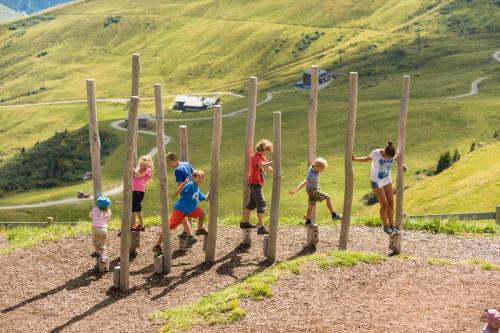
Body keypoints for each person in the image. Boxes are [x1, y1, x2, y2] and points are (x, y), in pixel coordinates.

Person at [152, 170, 209, 255]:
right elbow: (180, 191)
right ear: (193, 178)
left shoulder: (197, 188)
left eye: (201, 180)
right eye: (198, 179)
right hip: (180, 209)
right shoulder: (190, 185)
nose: (200, 181)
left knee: (202, 214)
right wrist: (184, 183)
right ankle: (157, 246)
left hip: (189, 210)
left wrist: (210, 191)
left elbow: (206, 198)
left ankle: (199, 230)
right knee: (169, 227)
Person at [352, 141, 402, 236]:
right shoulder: (376, 153)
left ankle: (392, 225)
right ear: (385, 153)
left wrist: (402, 165)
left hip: (387, 180)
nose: (389, 160)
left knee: (391, 202)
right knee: (385, 205)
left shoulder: (392, 155)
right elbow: (366, 159)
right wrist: (354, 159)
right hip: (376, 182)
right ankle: (386, 226)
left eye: (391, 158)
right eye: (388, 158)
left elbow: (398, 153)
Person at [290, 157, 341, 226]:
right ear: (317, 167)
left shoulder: (313, 166)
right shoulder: (311, 175)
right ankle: (334, 215)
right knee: (328, 197)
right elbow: (304, 181)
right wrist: (297, 189)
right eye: (322, 169)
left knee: (311, 206)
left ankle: (307, 220)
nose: (322, 171)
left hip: (310, 191)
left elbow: (315, 162)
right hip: (313, 190)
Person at [165, 152, 206, 234]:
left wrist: (178, 192)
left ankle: (185, 232)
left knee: (182, 213)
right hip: (194, 189)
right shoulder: (186, 164)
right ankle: (187, 231)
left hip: (186, 192)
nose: (169, 165)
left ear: (174, 160)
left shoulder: (177, 170)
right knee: (189, 212)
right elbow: (195, 173)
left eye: (169, 163)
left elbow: (180, 185)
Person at [240, 139, 274, 235]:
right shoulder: (256, 157)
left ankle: (244, 222)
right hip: (254, 183)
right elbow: (262, 165)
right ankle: (261, 227)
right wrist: (271, 162)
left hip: (257, 183)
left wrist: (276, 174)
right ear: (263, 149)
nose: (268, 153)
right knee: (261, 203)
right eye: (268, 151)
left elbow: (267, 168)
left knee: (252, 203)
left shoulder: (262, 157)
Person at [131, 155, 154, 231]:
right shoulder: (138, 169)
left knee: (133, 208)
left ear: (148, 165)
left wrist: (133, 170)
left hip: (139, 192)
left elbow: (139, 176)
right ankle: (142, 225)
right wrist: (135, 170)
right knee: (138, 209)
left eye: (145, 165)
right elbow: (134, 176)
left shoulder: (148, 170)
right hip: (134, 190)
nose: (143, 166)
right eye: (141, 165)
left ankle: (132, 225)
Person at [90, 197, 111, 262]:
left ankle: (97, 252)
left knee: (95, 241)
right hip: (103, 229)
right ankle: (102, 256)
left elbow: (90, 215)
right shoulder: (108, 212)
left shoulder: (94, 209)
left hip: (95, 229)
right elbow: (107, 220)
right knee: (103, 243)